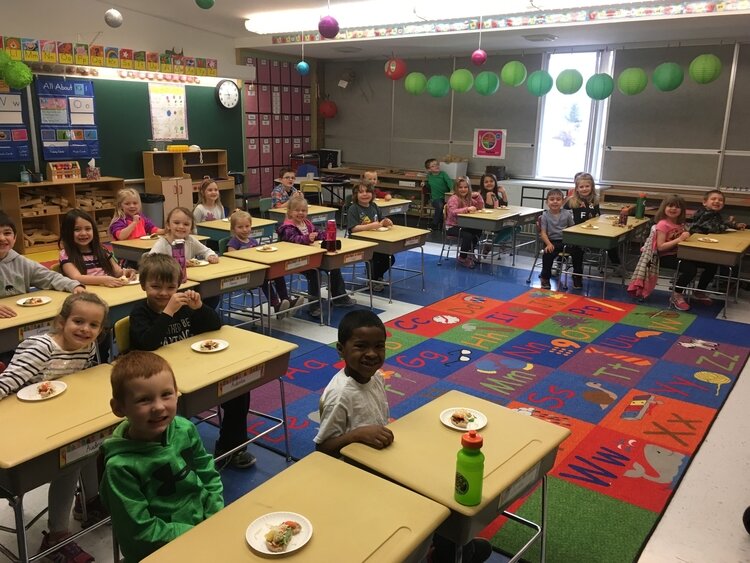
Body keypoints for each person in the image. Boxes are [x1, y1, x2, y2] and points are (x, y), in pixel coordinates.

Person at [0, 293, 109, 562]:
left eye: (93, 325)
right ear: (61, 321)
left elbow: (88, 380)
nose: (85, 329)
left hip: (60, 418)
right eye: (78, 321)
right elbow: (6, 384)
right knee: (71, 459)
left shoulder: (89, 347)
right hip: (24, 425)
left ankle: (89, 502)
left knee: (91, 441)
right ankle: (56, 537)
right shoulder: (41, 348)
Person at [129, 254, 255, 469]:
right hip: (159, 378)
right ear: (143, 285)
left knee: (238, 389)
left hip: (193, 367)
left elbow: (215, 325)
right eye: (156, 287)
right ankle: (170, 457)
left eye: (170, 288)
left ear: (178, 286)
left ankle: (230, 447)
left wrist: (199, 308)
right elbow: (148, 344)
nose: (163, 293)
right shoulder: (140, 313)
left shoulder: (185, 306)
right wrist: (168, 312)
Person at [100, 351, 224, 563]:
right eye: (144, 400)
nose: (158, 407)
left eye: (166, 394)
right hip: (162, 551)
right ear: (119, 408)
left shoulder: (184, 428)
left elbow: (207, 472)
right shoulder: (120, 468)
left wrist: (215, 513)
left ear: (177, 394)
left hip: (205, 529)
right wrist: (195, 534)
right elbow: (140, 531)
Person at [314, 309, 393, 457]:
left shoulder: (377, 377)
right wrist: (356, 435)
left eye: (379, 346)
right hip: (353, 466)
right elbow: (322, 448)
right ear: (341, 350)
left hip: (377, 455)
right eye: (361, 346)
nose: (371, 354)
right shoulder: (340, 395)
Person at [277, 197, 356, 318]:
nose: (301, 213)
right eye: (297, 210)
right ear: (289, 212)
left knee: (333, 265)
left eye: (303, 210)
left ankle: (339, 296)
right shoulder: (287, 228)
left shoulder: (307, 223)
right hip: (296, 261)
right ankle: (314, 305)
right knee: (315, 273)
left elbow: (316, 232)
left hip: (312, 257)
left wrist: (326, 235)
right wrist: (307, 238)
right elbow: (293, 239)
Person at [0, 211, 85, 320]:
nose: (2, 238)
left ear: (15, 238)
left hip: (20, 316)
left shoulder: (21, 262)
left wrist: (74, 286)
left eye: (7, 233)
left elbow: (50, 277)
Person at [227, 210, 303, 317]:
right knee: (264, 279)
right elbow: (231, 258)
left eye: (247, 226)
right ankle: (276, 305)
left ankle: (286, 301)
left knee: (277, 274)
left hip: (258, 269)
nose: (244, 230)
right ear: (233, 229)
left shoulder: (253, 241)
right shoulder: (234, 242)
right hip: (246, 273)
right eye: (240, 227)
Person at [655, 195, 718, 310]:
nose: (674, 209)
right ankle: (676, 294)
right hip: (666, 256)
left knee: (712, 264)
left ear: (682, 211)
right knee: (690, 269)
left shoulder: (680, 224)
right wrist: (679, 240)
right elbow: (661, 247)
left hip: (681, 254)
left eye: (677, 207)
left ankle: (699, 292)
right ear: (664, 208)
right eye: (670, 206)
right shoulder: (662, 224)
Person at [563, 172, 619, 289]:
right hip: (575, 235)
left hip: (592, 232)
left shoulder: (595, 201)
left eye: (587, 186)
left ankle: (617, 266)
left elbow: (597, 217)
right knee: (577, 250)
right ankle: (577, 276)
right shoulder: (571, 202)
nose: (584, 189)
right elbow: (563, 220)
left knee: (612, 239)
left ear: (592, 187)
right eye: (581, 187)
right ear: (577, 188)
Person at [59, 209, 136, 287]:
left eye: (88, 229)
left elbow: (117, 272)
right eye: (77, 229)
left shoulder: (101, 250)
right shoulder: (66, 254)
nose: (83, 233)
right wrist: (104, 280)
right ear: (67, 232)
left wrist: (126, 272)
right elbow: (76, 278)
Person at [347, 182, 395, 292]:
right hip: (360, 241)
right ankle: (373, 280)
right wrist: (370, 226)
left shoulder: (374, 206)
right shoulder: (353, 209)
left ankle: (377, 277)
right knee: (374, 258)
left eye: (368, 191)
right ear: (355, 195)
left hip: (377, 239)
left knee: (389, 258)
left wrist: (386, 221)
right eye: (361, 192)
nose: (365, 194)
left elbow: (381, 220)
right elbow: (353, 229)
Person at [538, 189, 575, 290]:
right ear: (547, 202)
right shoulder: (545, 215)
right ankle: (545, 278)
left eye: (558, 199)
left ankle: (577, 276)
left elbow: (572, 228)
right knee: (548, 253)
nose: (555, 201)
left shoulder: (567, 214)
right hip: (551, 241)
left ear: (562, 202)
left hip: (565, 241)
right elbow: (543, 233)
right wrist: (548, 244)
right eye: (552, 199)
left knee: (578, 250)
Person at [445, 176, 485, 269]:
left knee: (478, 230)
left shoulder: (468, 198)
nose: (463, 189)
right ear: (456, 188)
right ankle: (462, 257)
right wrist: (467, 209)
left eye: (465, 187)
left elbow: (480, 206)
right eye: (460, 187)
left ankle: (470, 252)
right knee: (468, 235)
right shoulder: (454, 198)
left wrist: (478, 196)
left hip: (464, 225)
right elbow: (452, 211)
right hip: (452, 227)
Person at [478, 172, 512, 255]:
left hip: (497, 220)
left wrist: (503, 193)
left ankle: (492, 244)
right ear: (483, 184)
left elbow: (503, 205)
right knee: (511, 228)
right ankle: (495, 243)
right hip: (487, 222)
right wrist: (488, 196)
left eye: (491, 181)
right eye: (486, 182)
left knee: (517, 227)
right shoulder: (481, 195)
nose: (489, 183)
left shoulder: (495, 195)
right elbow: (488, 209)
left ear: (495, 182)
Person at [424, 158, 453, 231]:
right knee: (440, 206)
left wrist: (452, 189)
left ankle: (443, 224)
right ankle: (434, 224)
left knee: (448, 207)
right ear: (429, 169)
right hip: (436, 199)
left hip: (446, 198)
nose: (436, 166)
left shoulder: (443, 174)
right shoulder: (429, 176)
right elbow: (427, 185)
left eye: (437, 164)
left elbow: (449, 182)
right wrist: (424, 184)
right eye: (433, 166)